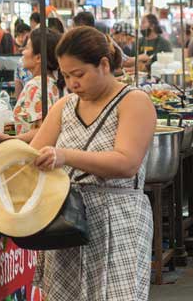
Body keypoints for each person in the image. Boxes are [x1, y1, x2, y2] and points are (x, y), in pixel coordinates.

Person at [30, 26, 156, 300]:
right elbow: (32, 156)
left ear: (104, 64)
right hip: (66, 222)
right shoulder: (63, 107)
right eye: (65, 76)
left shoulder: (134, 101)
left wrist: (64, 155)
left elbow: (126, 163)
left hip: (118, 219)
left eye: (79, 74)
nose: (72, 83)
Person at [0, 28, 63, 143]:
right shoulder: (52, 83)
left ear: (38, 58)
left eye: (27, 48)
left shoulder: (35, 86)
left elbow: (41, 130)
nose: (22, 52)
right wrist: (3, 129)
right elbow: (23, 124)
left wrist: (8, 138)